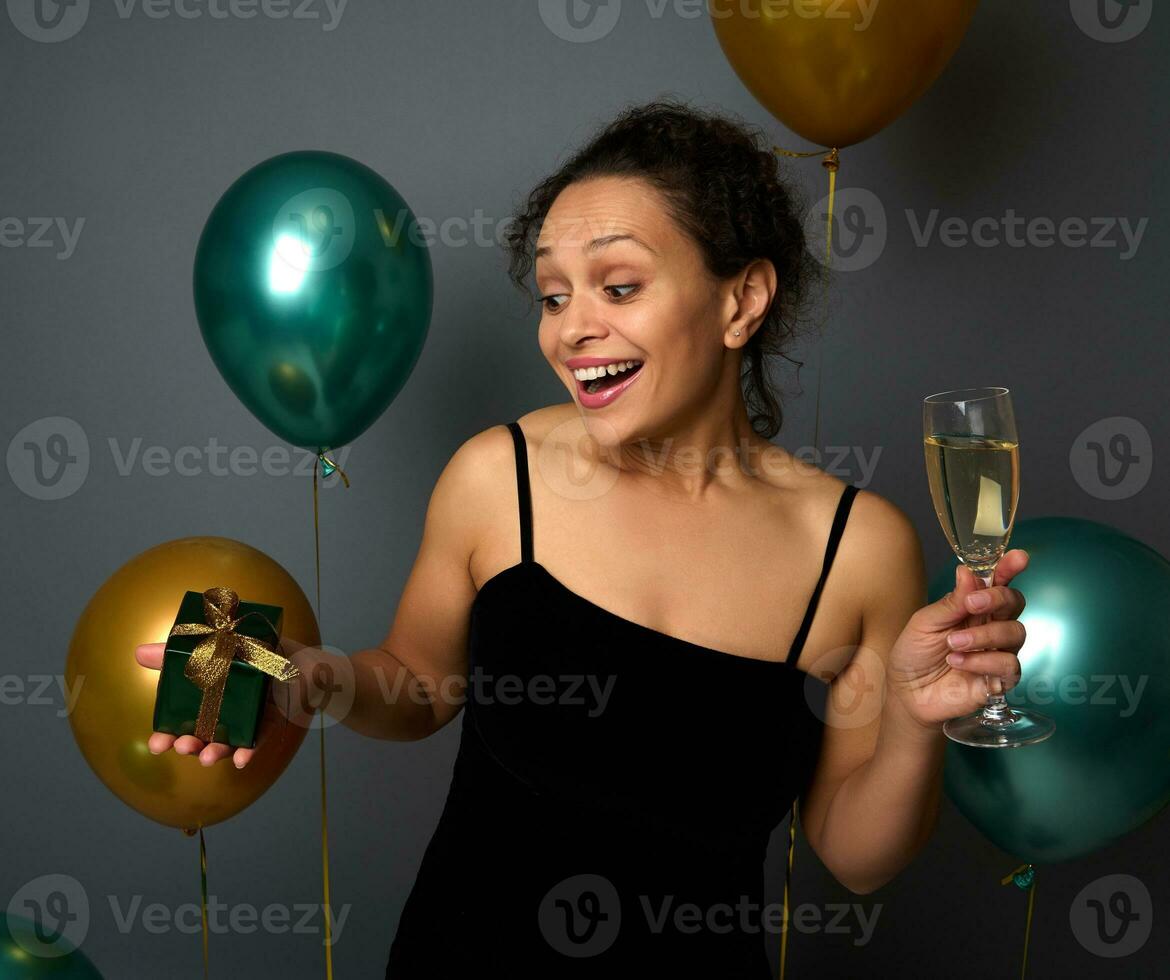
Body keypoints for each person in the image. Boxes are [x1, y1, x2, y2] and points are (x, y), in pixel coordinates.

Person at [136, 100, 1029, 976]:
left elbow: (855, 854)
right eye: (554, 294)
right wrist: (310, 676)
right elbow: (413, 683)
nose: (572, 328)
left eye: (620, 286)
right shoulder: (499, 476)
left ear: (742, 301)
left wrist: (912, 721)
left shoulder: (857, 548)